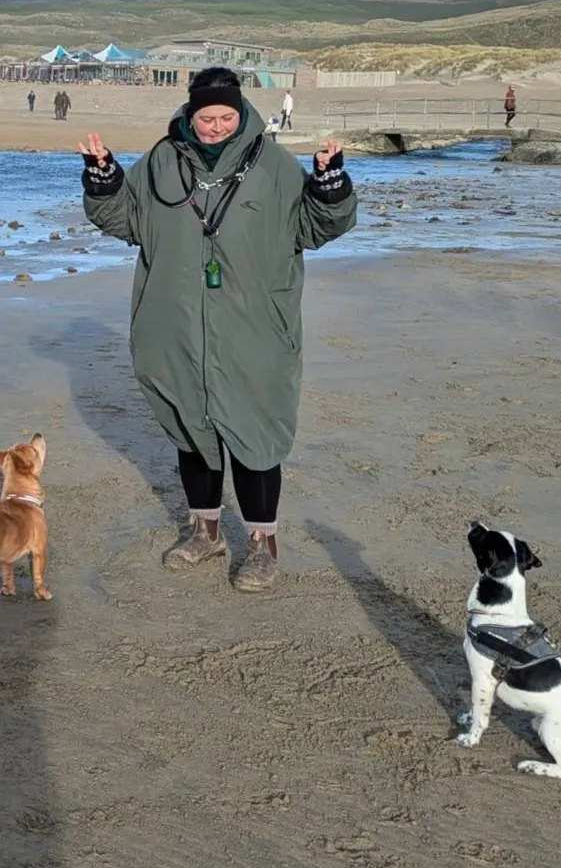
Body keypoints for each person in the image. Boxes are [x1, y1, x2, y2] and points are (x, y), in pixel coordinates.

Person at [78, 66, 357, 590]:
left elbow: (315, 228)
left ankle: (262, 546)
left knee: (256, 436)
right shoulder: (161, 160)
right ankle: (205, 532)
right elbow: (124, 219)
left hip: (254, 328)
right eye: (207, 117)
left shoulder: (273, 165)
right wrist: (105, 179)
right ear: (191, 113)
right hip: (175, 326)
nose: (217, 126)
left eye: (227, 116)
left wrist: (330, 187)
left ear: (241, 112)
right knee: (192, 432)